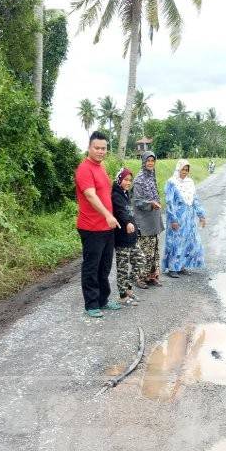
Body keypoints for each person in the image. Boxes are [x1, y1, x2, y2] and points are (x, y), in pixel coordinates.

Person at [75, 131, 121, 318]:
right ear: (89, 147)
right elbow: (90, 195)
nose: (101, 151)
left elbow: (105, 194)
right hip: (91, 227)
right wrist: (106, 215)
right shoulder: (84, 169)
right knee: (92, 267)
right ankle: (91, 304)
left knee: (105, 266)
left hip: (106, 226)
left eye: (104, 148)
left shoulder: (101, 168)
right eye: (97, 148)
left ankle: (103, 299)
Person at [162, 159, 207, 278]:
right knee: (175, 241)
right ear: (178, 169)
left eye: (187, 170)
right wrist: (173, 219)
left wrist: (201, 215)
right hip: (177, 217)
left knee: (187, 241)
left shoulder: (190, 182)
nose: (185, 172)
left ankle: (181, 266)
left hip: (189, 218)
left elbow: (195, 200)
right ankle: (172, 268)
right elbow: (169, 202)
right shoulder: (171, 182)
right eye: (183, 169)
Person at [111, 168, 146, 306]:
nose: (128, 182)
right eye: (125, 179)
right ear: (119, 179)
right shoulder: (115, 195)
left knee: (141, 260)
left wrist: (135, 226)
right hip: (122, 238)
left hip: (132, 237)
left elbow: (130, 212)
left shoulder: (126, 194)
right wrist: (128, 222)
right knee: (123, 268)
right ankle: (122, 295)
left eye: (130, 180)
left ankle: (129, 288)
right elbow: (120, 212)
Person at [132, 151, 165, 287]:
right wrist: (151, 204)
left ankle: (151, 276)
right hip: (143, 221)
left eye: (153, 160)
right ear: (144, 162)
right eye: (148, 160)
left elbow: (154, 195)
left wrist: (155, 203)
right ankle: (139, 279)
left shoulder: (152, 176)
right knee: (144, 250)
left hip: (153, 219)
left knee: (154, 249)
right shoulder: (139, 179)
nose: (151, 163)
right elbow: (137, 201)